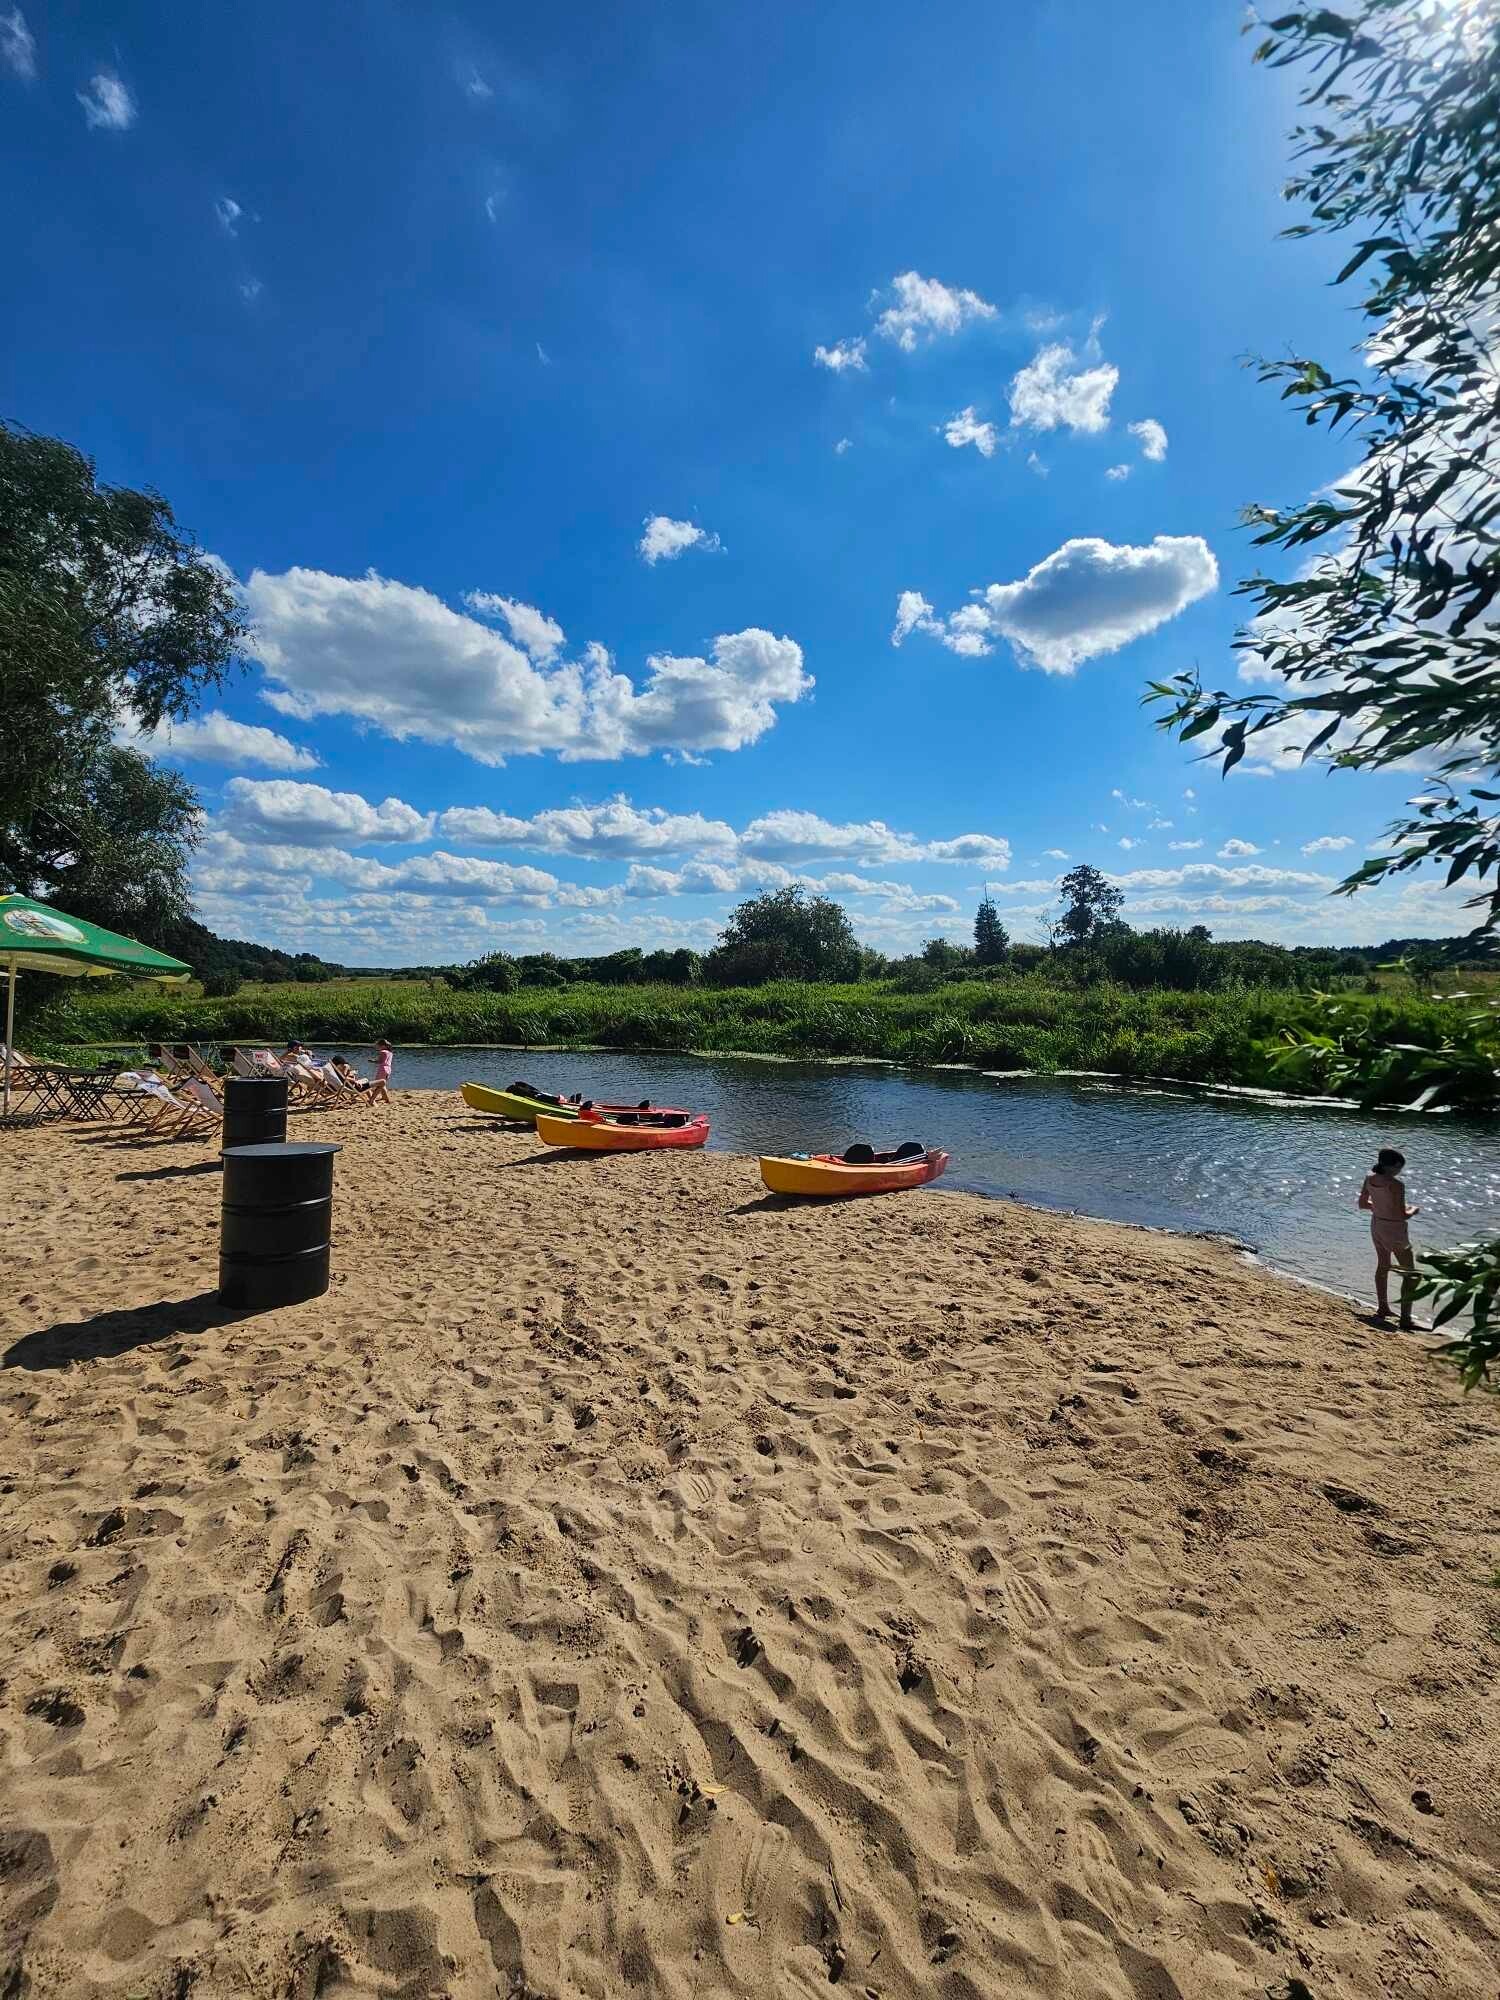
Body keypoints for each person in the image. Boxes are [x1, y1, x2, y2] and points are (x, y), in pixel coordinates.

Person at [1358, 1147, 1419, 1329]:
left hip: (1377, 1226)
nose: (1400, 1171)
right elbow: (1402, 1215)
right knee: (1411, 1274)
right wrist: (1413, 1209)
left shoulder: (1369, 1178)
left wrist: (1380, 1206)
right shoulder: (1396, 1185)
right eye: (1399, 1167)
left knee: (1383, 1265)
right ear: (1393, 1166)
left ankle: (1383, 1307)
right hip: (1395, 1230)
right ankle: (1405, 1319)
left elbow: (1363, 1204)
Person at [369, 1039, 394, 1105]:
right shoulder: (390, 1052)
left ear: (383, 1046)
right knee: (383, 1084)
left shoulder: (383, 1052)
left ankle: (373, 1099)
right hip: (388, 1069)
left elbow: (381, 1061)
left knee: (378, 1084)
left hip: (383, 1069)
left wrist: (372, 1061)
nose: (377, 1047)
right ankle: (384, 1097)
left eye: (378, 1046)